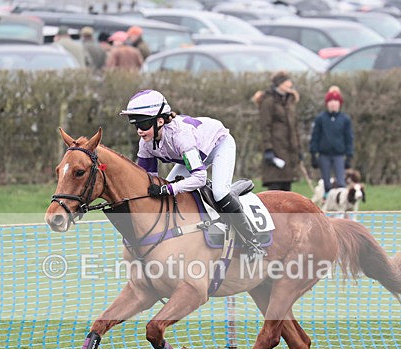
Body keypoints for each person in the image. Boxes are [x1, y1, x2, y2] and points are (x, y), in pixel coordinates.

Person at [119, 89, 266, 259]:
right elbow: (146, 181)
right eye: (136, 126)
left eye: (143, 125)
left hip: (219, 145)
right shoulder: (145, 144)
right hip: (191, 155)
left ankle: (253, 243)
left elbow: (200, 178)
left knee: (219, 193)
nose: (139, 131)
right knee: (164, 195)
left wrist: (167, 189)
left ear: (160, 121)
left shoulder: (181, 137)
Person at [252, 70, 302, 192]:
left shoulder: (290, 101)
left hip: (289, 153)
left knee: (287, 192)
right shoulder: (268, 101)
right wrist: (268, 149)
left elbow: (294, 127)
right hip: (275, 151)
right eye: (287, 81)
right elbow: (265, 127)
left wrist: (298, 149)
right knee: (275, 191)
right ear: (280, 84)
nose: (290, 84)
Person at [309, 86, 354, 196]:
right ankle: (327, 203)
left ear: (339, 104)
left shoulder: (345, 119)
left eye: (336, 102)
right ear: (327, 103)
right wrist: (313, 154)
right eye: (331, 102)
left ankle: (341, 205)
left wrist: (349, 156)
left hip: (339, 155)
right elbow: (315, 136)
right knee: (326, 183)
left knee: (340, 182)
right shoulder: (321, 118)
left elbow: (349, 138)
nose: (333, 104)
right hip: (324, 155)